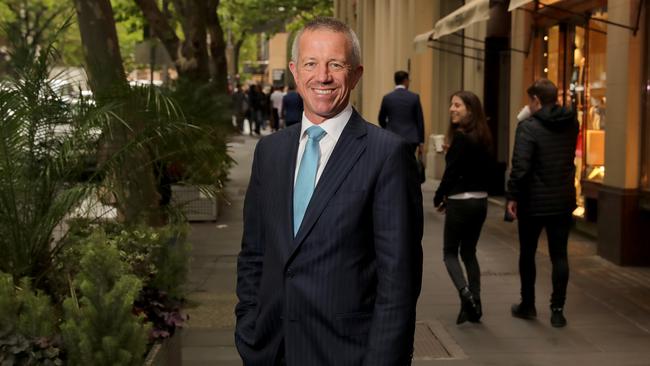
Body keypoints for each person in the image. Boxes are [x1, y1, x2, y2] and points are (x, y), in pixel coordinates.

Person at [235, 17, 423, 366]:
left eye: (335, 64)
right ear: (295, 70)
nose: (322, 76)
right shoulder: (270, 152)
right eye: (311, 63)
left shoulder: (386, 155)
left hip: (346, 354)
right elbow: (254, 254)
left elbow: (399, 282)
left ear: (356, 74)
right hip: (272, 349)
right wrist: (248, 326)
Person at [506, 79, 578, 328]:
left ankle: (528, 304)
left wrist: (512, 196)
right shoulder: (572, 123)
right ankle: (557, 310)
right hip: (562, 200)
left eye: (530, 100)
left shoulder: (528, 127)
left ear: (536, 100)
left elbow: (521, 167)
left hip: (533, 202)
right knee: (560, 256)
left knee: (527, 254)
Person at [433, 91, 493, 325]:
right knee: (469, 252)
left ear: (470, 109)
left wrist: (439, 197)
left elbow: (451, 173)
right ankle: (473, 304)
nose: (452, 109)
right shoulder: (484, 136)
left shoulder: (461, 137)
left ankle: (465, 293)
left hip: (460, 201)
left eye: (457, 105)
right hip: (481, 201)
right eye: (451, 104)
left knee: (449, 253)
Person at [378, 70, 425, 156]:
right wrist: (421, 142)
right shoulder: (414, 97)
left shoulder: (387, 98)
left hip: (392, 136)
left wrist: (388, 128)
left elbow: (381, 119)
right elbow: (420, 121)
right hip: (411, 138)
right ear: (406, 81)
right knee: (408, 165)